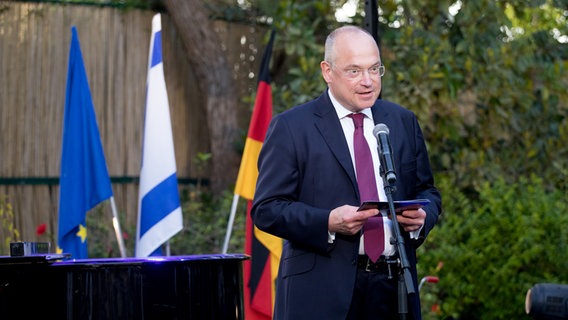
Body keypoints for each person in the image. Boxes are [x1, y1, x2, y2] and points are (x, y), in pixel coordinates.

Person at [251, 25, 442, 320]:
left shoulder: (402, 121)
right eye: (354, 71)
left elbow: (427, 191)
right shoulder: (292, 128)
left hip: (394, 290)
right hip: (321, 293)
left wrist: (421, 219)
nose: (368, 81)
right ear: (328, 71)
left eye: (375, 69)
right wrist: (327, 221)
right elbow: (266, 209)